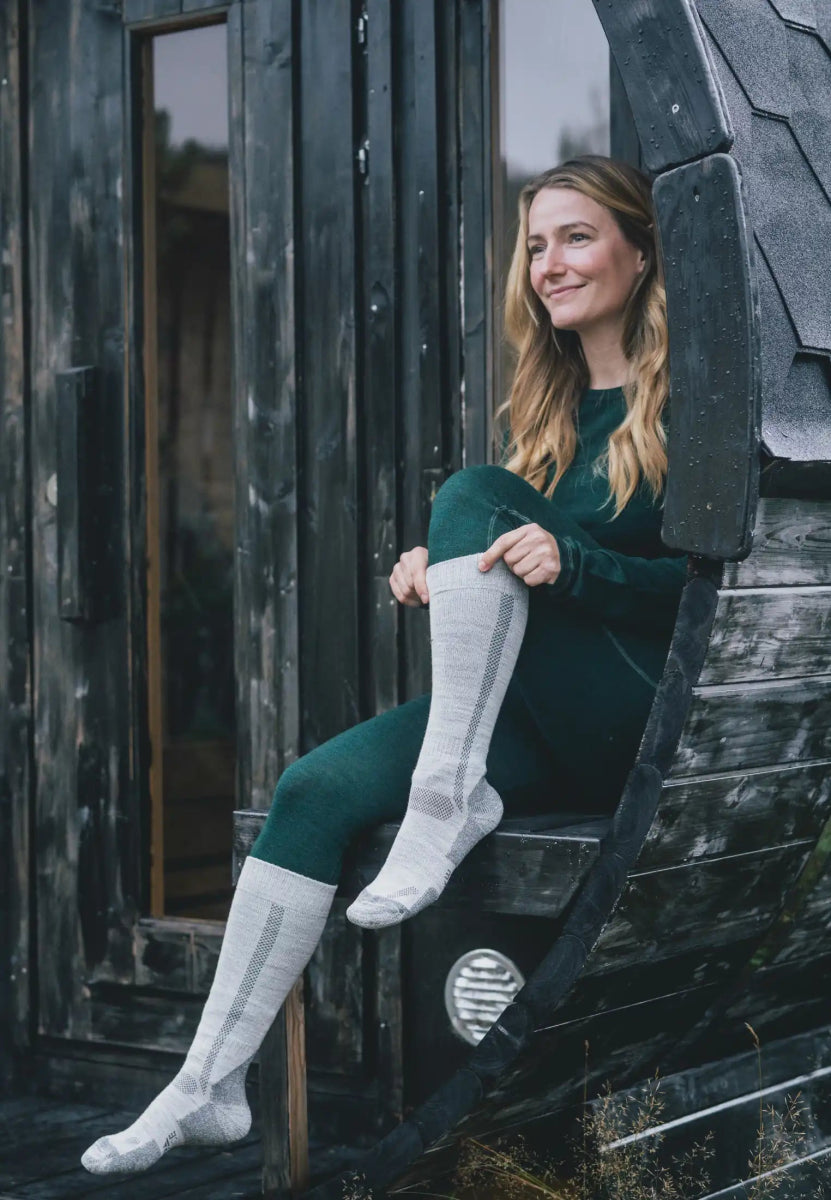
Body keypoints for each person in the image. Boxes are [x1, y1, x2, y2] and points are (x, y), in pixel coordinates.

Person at [81, 153, 688, 1176]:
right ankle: (207, 1085)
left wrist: (571, 564)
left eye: (577, 237)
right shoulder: (544, 420)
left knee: (471, 495)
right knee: (314, 789)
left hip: (628, 723)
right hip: (529, 720)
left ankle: (445, 797)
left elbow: (709, 595)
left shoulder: (687, 411)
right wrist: (450, 568)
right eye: (536, 245)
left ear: (640, 251)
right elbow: (506, 558)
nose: (550, 263)